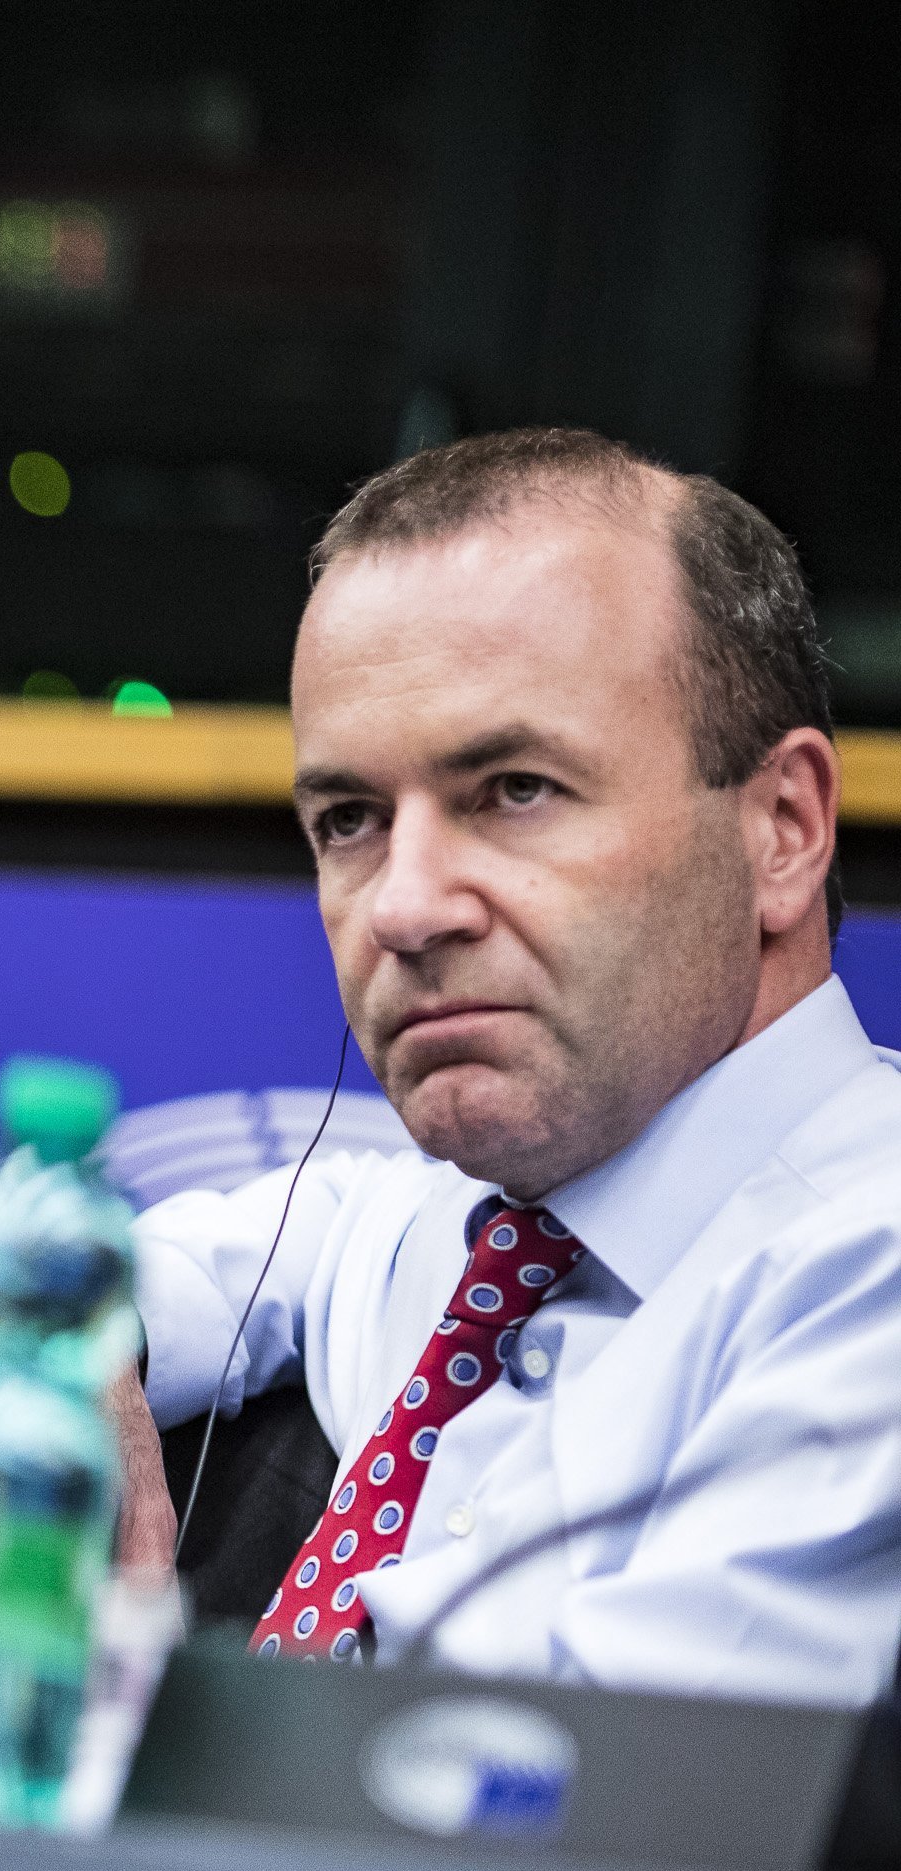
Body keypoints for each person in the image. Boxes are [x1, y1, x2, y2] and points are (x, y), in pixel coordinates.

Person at [113, 428, 901, 1706]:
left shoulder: (866, 1280)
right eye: (348, 819)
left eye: (515, 789)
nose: (402, 907)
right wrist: (68, 1345)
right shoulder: (474, 1219)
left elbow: (584, 1804)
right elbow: (235, 1255)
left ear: (781, 829)